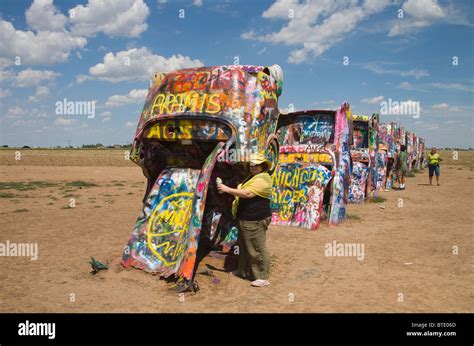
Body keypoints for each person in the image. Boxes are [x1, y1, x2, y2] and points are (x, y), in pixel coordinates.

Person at [217, 153, 272, 287]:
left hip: (255, 219)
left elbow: (248, 193)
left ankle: (262, 276)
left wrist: (226, 189)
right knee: (243, 246)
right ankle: (243, 270)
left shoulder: (263, 179)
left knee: (256, 247)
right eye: (251, 165)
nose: (253, 167)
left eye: (256, 165)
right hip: (246, 218)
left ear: (262, 166)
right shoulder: (253, 176)